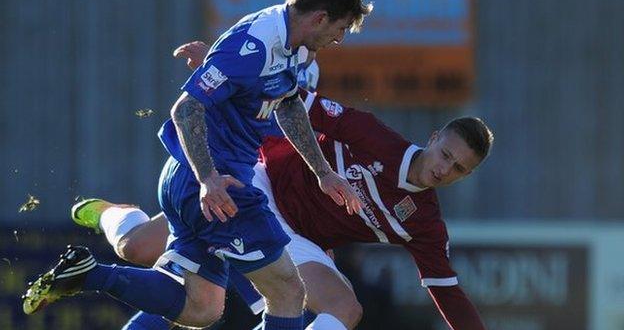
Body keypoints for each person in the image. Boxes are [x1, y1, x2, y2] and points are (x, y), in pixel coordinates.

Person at [64, 42, 492, 330]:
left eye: (457, 168)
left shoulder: (426, 225)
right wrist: (217, 60)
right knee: (137, 249)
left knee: (346, 309)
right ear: (434, 138)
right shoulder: (372, 136)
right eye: (446, 155)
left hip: (299, 241)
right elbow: (293, 102)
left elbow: (448, 293)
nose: (444, 168)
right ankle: (107, 213)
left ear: (466, 176)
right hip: (257, 184)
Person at [22, 0, 373, 329]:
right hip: (217, 186)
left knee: (201, 308)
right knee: (288, 291)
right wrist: (208, 179)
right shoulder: (255, 45)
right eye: (340, 29)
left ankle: (88, 275)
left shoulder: (296, 49)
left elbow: (289, 104)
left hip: (201, 182)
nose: (339, 39)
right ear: (320, 18)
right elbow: (186, 109)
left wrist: (323, 172)